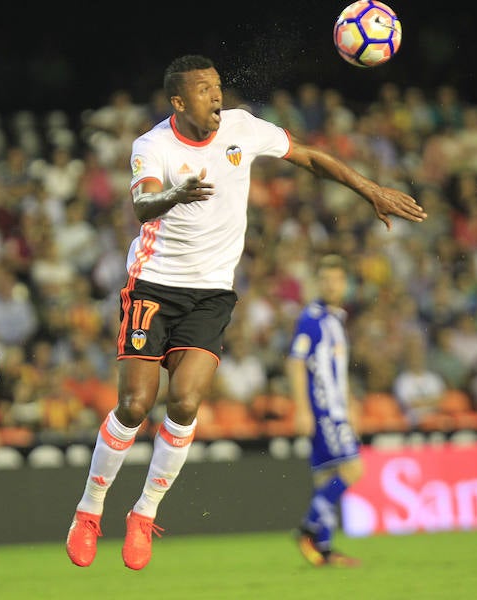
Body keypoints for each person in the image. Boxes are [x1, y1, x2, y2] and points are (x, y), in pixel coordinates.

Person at [64, 54, 427, 571]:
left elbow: (306, 156)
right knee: (135, 404)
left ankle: (144, 513)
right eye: (204, 90)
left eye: (217, 87)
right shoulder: (152, 145)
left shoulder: (241, 128)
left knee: (186, 403)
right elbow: (142, 205)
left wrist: (371, 190)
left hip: (211, 292)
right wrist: (176, 193)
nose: (216, 96)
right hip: (153, 285)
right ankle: (90, 507)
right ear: (178, 102)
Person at [285, 254, 363, 567]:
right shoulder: (312, 318)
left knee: (327, 478)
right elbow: (294, 361)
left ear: (345, 284)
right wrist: (302, 409)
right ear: (319, 283)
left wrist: (352, 405)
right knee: (353, 470)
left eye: (337, 279)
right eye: (327, 280)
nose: (332, 285)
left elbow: (336, 370)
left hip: (337, 408)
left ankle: (325, 550)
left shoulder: (335, 319)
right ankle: (307, 527)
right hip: (323, 409)